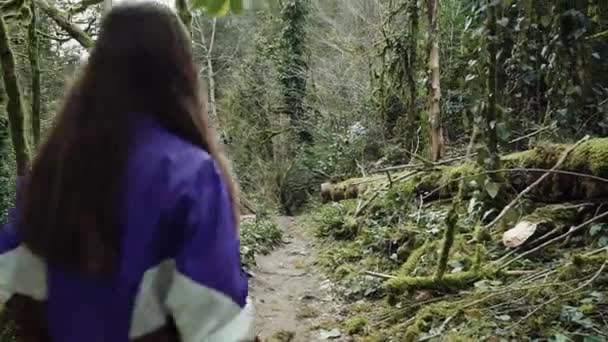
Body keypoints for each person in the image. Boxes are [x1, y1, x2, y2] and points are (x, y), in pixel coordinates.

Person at [0, 2, 255, 341]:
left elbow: (12, 274)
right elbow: (218, 320)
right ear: (179, 70)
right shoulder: (190, 174)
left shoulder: (50, 172)